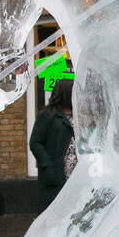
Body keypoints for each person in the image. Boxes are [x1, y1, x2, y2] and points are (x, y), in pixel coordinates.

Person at [29, 79, 74, 211]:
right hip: (57, 173)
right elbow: (35, 142)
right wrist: (48, 166)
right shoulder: (48, 115)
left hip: (77, 175)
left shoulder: (78, 114)